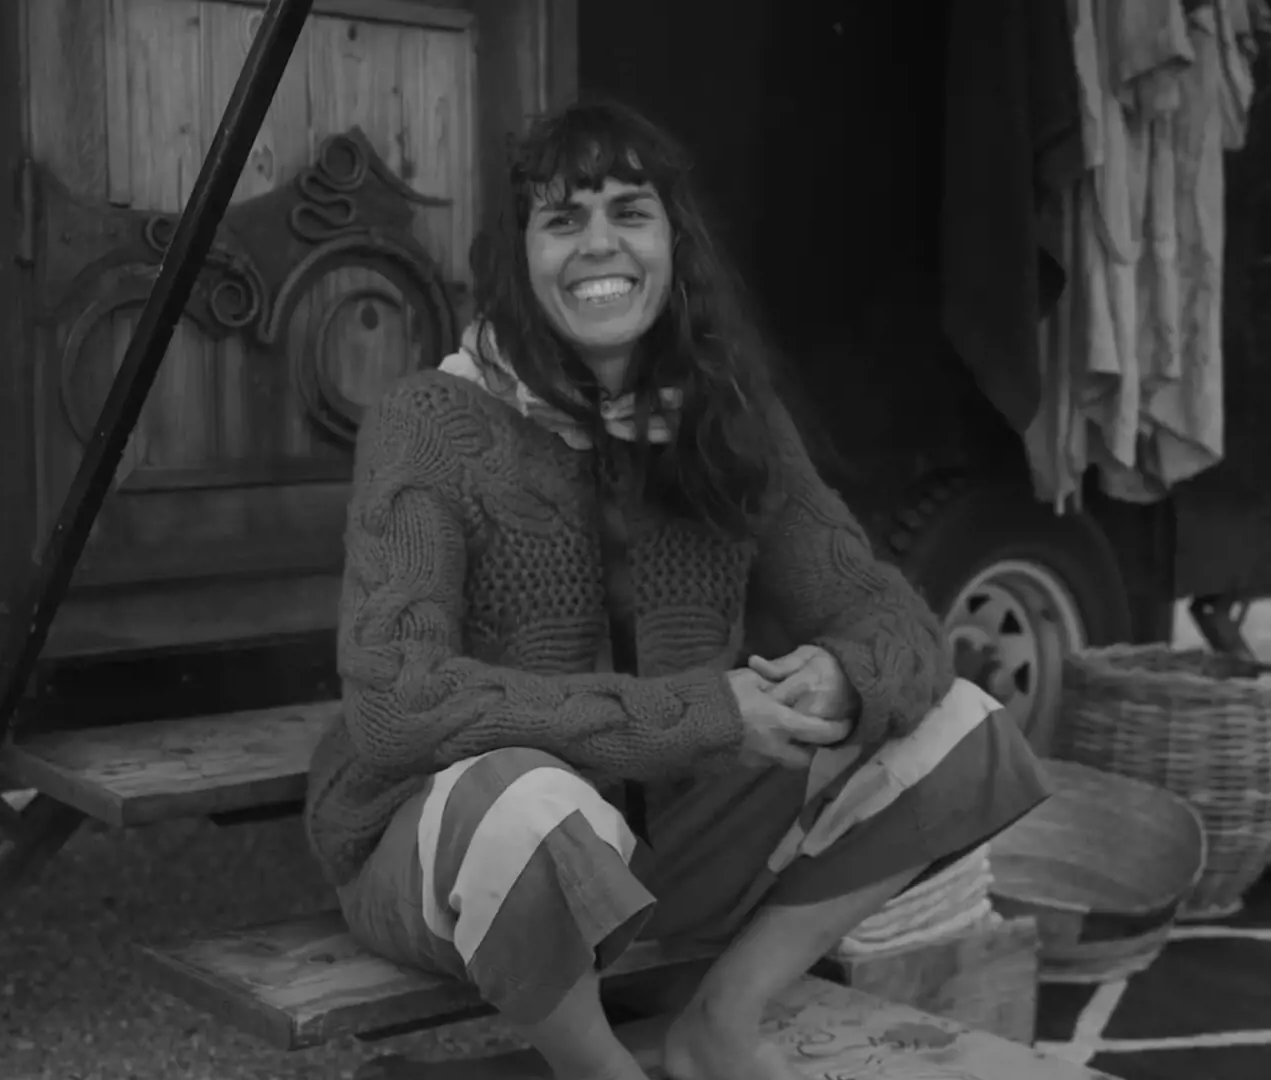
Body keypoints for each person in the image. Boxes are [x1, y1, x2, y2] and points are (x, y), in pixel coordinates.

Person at [304, 98, 1052, 1080]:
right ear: (518, 257)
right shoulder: (432, 421)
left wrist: (841, 675)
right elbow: (400, 704)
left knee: (957, 723)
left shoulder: (727, 418)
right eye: (563, 220)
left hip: (667, 833)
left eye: (629, 212)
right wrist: (697, 713)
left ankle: (721, 1021)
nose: (598, 246)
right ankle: (598, 1066)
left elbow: (888, 615)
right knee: (524, 803)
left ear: (672, 241)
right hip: (446, 847)